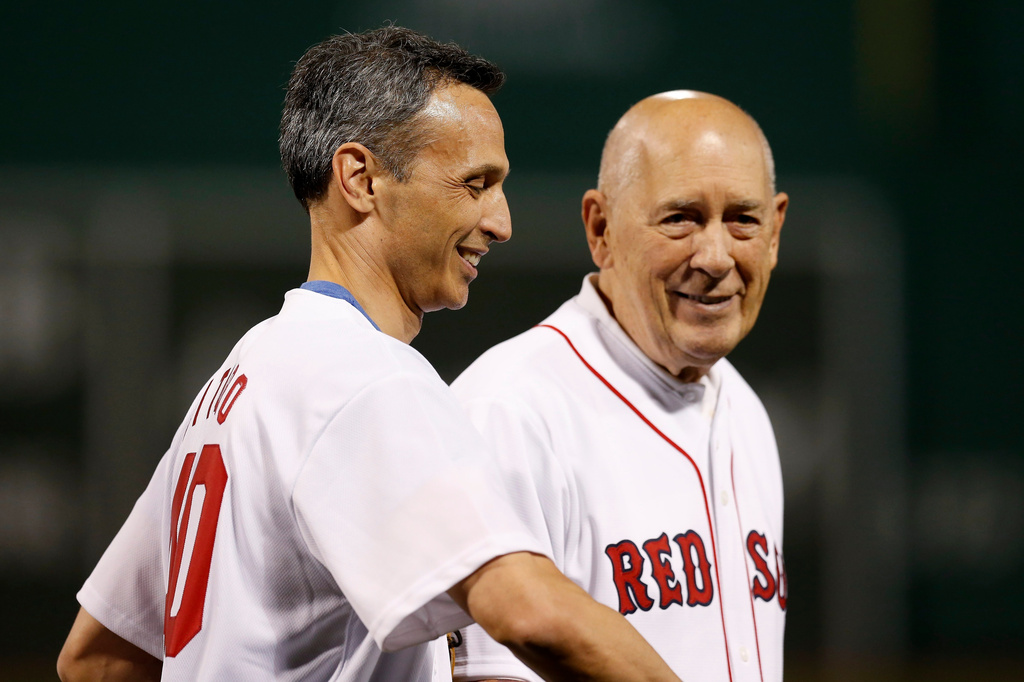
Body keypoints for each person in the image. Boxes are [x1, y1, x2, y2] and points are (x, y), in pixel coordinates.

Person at [56, 28, 681, 682]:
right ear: (360, 178)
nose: (502, 221)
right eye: (475, 183)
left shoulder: (246, 371)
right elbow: (529, 612)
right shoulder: (361, 379)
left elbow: (98, 657)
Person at [451, 91, 790, 682]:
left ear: (776, 231)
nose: (714, 256)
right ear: (601, 228)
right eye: (680, 218)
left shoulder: (745, 409)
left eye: (743, 220)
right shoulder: (509, 411)